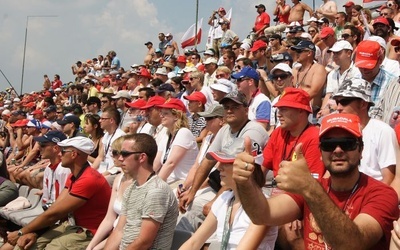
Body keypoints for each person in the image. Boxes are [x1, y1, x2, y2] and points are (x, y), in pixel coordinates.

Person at [233, 113, 399, 249]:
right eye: (329, 145)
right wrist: (245, 183)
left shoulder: (381, 194)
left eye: (347, 143)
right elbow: (263, 214)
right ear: (320, 152)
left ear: (361, 150)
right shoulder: (313, 189)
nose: (338, 150)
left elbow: (353, 245)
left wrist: (310, 189)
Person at [4, 137, 111, 250]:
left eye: (63, 151)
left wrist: (21, 232)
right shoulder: (74, 176)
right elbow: (55, 209)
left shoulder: (88, 179)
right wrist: (34, 233)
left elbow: (54, 214)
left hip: (87, 231)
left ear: (74, 154)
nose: (59, 154)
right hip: (70, 225)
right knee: (22, 247)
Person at [180, 138, 278, 250]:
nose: (219, 167)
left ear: (249, 167)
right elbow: (193, 243)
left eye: (227, 162)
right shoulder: (224, 199)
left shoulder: (263, 207)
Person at [104, 134, 178, 250]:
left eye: (125, 154)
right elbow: (119, 230)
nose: (120, 158)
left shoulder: (156, 191)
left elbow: (144, 242)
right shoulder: (132, 188)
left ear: (142, 157)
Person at [333, 78, 397, 184]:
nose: (339, 107)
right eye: (337, 102)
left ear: (363, 104)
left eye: (344, 102)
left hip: (374, 194)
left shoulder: (383, 131)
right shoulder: (337, 131)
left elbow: (389, 177)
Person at [86, 137, 133, 250]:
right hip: (113, 235)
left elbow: (125, 229)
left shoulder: (137, 185)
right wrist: (91, 247)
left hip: (125, 240)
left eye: (115, 152)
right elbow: (109, 219)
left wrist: (98, 248)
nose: (112, 156)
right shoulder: (118, 179)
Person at [153, 98, 198, 186]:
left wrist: (155, 186)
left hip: (183, 182)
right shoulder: (167, 134)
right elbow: (155, 164)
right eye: (161, 112)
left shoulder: (184, 132)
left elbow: (171, 163)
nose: (161, 115)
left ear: (176, 116)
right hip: (170, 181)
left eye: (165, 113)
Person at [92, 107, 126, 173]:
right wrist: (90, 172)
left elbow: (119, 162)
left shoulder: (120, 136)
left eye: (102, 119)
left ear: (111, 120)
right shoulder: (106, 135)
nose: (99, 121)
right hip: (104, 169)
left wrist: (102, 175)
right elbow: (100, 157)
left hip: (114, 171)